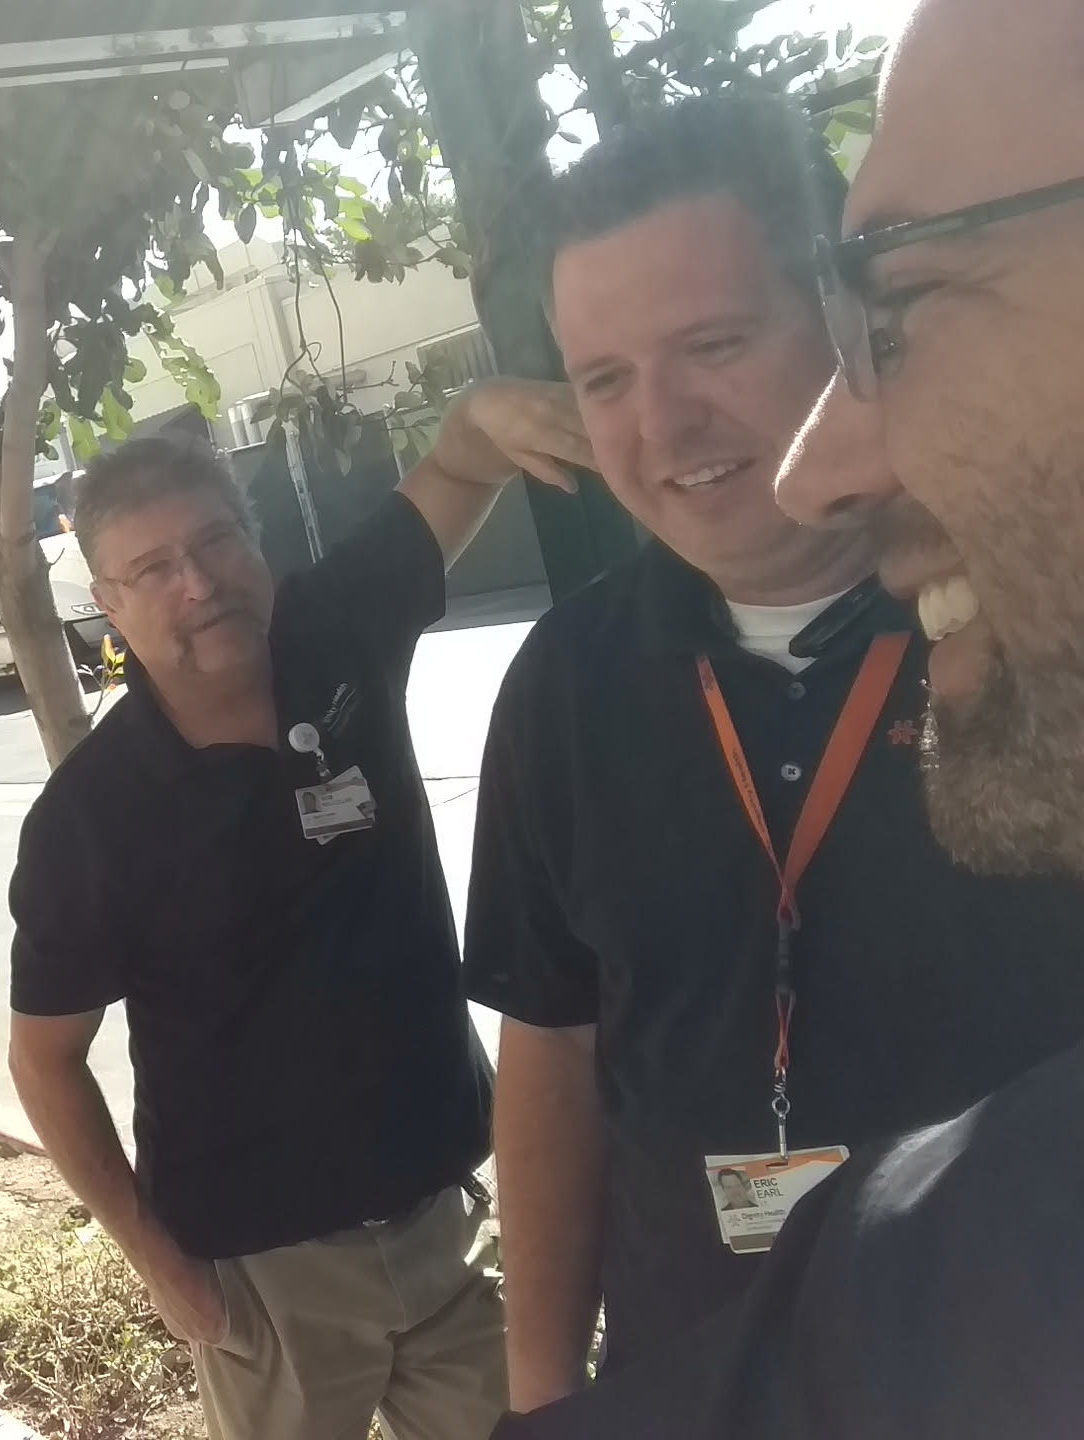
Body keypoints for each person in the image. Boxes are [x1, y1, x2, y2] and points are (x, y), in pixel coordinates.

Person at [494, 4, 1084, 1432]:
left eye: (712, 344)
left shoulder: (1028, 624)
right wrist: (539, 1389)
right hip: (687, 1384)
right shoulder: (564, 684)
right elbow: (551, 1050)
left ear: (846, 316)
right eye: (605, 379)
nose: (661, 425)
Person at [5, 414, 550, 1440]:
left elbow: (459, 466)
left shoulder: (336, 632)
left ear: (253, 540)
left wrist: (511, 409)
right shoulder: (92, 818)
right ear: (108, 604)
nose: (199, 584)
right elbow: (44, 1061)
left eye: (215, 540)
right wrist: (158, 1267)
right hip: (264, 1281)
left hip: (444, 1221)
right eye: (154, 569)